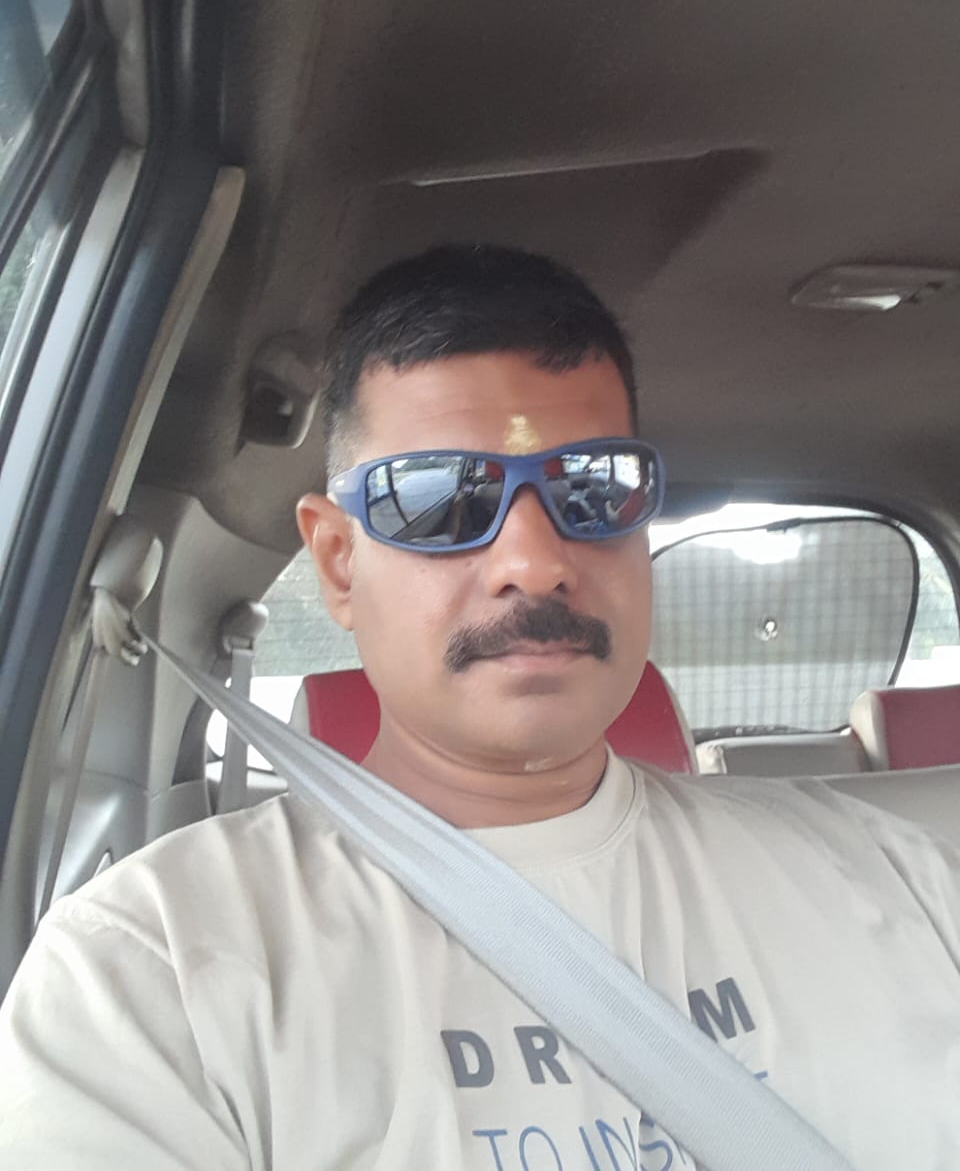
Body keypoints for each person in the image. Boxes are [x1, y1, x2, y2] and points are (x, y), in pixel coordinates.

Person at [1, 244, 959, 1169]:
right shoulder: (149, 972)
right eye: (440, 500)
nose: (535, 563)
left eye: (594, 489)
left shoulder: (899, 881)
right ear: (339, 561)